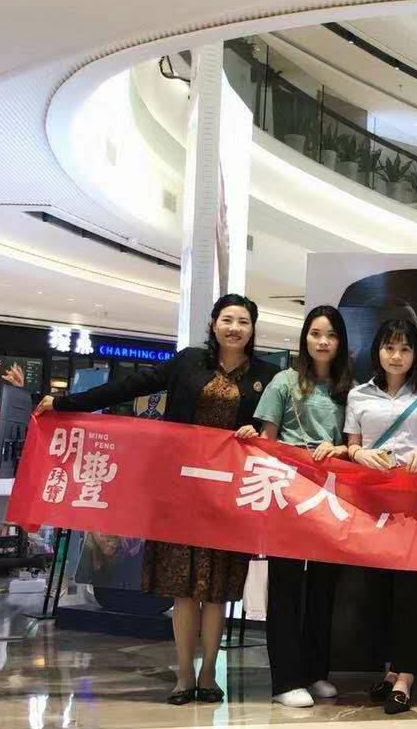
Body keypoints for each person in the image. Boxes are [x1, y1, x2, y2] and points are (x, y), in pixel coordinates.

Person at [36, 294, 279, 705]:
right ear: (214, 324)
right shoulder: (188, 363)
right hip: (180, 491)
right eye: (227, 319)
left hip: (227, 495)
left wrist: (258, 432)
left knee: (216, 590)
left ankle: (208, 675)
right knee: (182, 587)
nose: (235, 328)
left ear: (253, 329)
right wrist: (65, 403)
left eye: (243, 321)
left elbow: (275, 428)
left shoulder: (266, 375)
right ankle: (184, 676)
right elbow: (130, 386)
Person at [235, 305, 355, 708]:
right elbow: (268, 440)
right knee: (286, 586)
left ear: (340, 342)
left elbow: (354, 442)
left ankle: (315, 671)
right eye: (316, 333)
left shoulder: (347, 388)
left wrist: (339, 450)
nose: (323, 341)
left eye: (331, 335)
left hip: (331, 497)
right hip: (288, 495)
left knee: (323, 586)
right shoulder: (283, 381)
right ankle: (285, 680)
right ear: (305, 338)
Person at [343, 317, 417, 715]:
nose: (397, 356)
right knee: (376, 591)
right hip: (370, 503)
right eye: (389, 347)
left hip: (413, 503)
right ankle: (390, 669)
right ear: (378, 351)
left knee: (410, 591)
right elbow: (350, 444)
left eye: (404, 348)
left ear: (416, 354)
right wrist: (359, 453)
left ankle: (406, 677)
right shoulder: (358, 394)